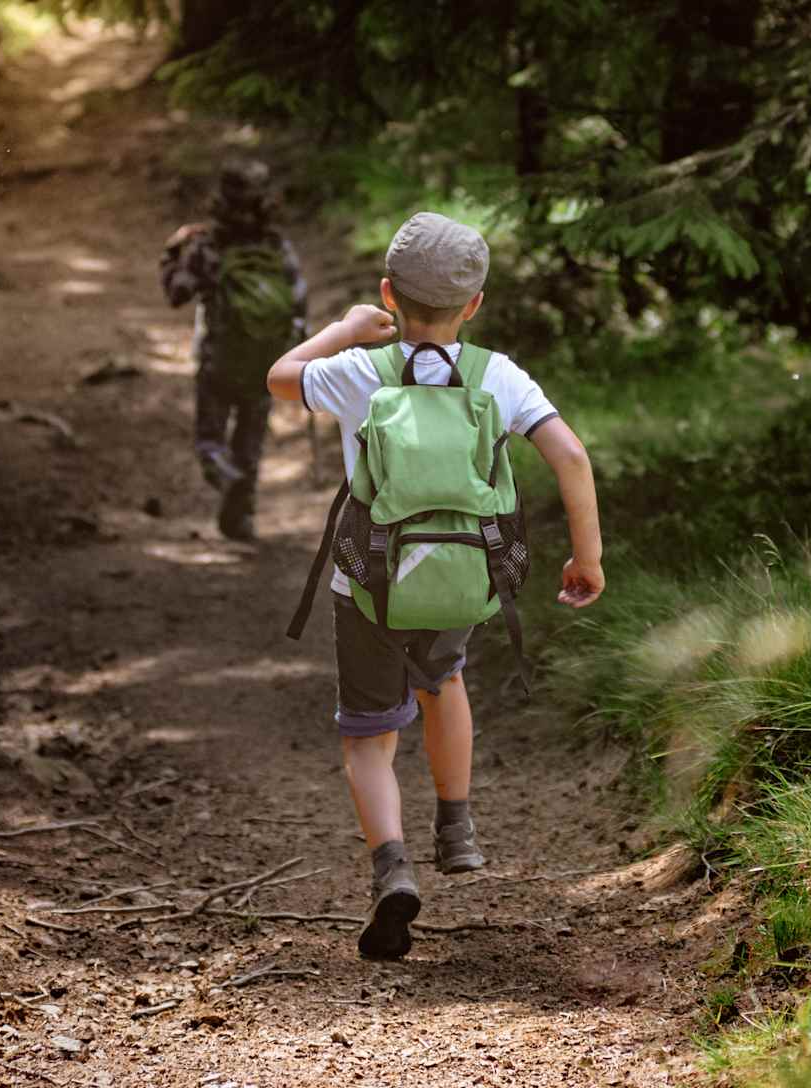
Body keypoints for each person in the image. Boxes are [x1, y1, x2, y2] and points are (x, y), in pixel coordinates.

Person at [266, 212, 606, 960]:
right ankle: (456, 825)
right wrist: (588, 559)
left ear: (389, 294)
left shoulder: (361, 371)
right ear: (474, 305)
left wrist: (345, 329)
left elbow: (280, 377)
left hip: (370, 586)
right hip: (461, 579)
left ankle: (392, 867)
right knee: (444, 680)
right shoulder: (497, 376)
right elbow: (571, 456)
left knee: (369, 735)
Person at [160, 161, 308, 541]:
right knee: (250, 439)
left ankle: (223, 472)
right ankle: (239, 518)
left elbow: (177, 293)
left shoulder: (209, 247)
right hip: (266, 360)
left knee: (210, 439)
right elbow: (298, 302)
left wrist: (172, 252)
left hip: (218, 358)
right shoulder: (277, 246)